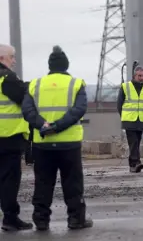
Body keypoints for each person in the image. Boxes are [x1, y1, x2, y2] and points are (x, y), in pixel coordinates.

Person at [22, 45, 93, 231]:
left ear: (49, 66)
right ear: (66, 65)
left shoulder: (35, 84)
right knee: (73, 183)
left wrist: (43, 126)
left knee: (43, 183)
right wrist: (58, 126)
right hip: (69, 144)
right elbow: (79, 109)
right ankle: (76, 219)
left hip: (42, 144)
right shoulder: (76, 84)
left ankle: (41, 220)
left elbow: (27, 110)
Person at [0, 44, 33, 231]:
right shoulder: (6, 78)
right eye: (11, 57)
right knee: (9, 180)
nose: (14, 61)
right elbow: (24, 96)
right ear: (2, 58)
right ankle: (10, 218)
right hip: (8, 137)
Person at [116, 65, 143, 173]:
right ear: (134, 76)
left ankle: (133, 164)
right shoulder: (125, 86)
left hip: (141, 119)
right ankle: (136, 162)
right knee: (133, 142)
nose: (141, 78)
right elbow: (119, 104)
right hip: (129, 119)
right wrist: (124, 117)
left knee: (137, 141)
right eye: (139, 76)